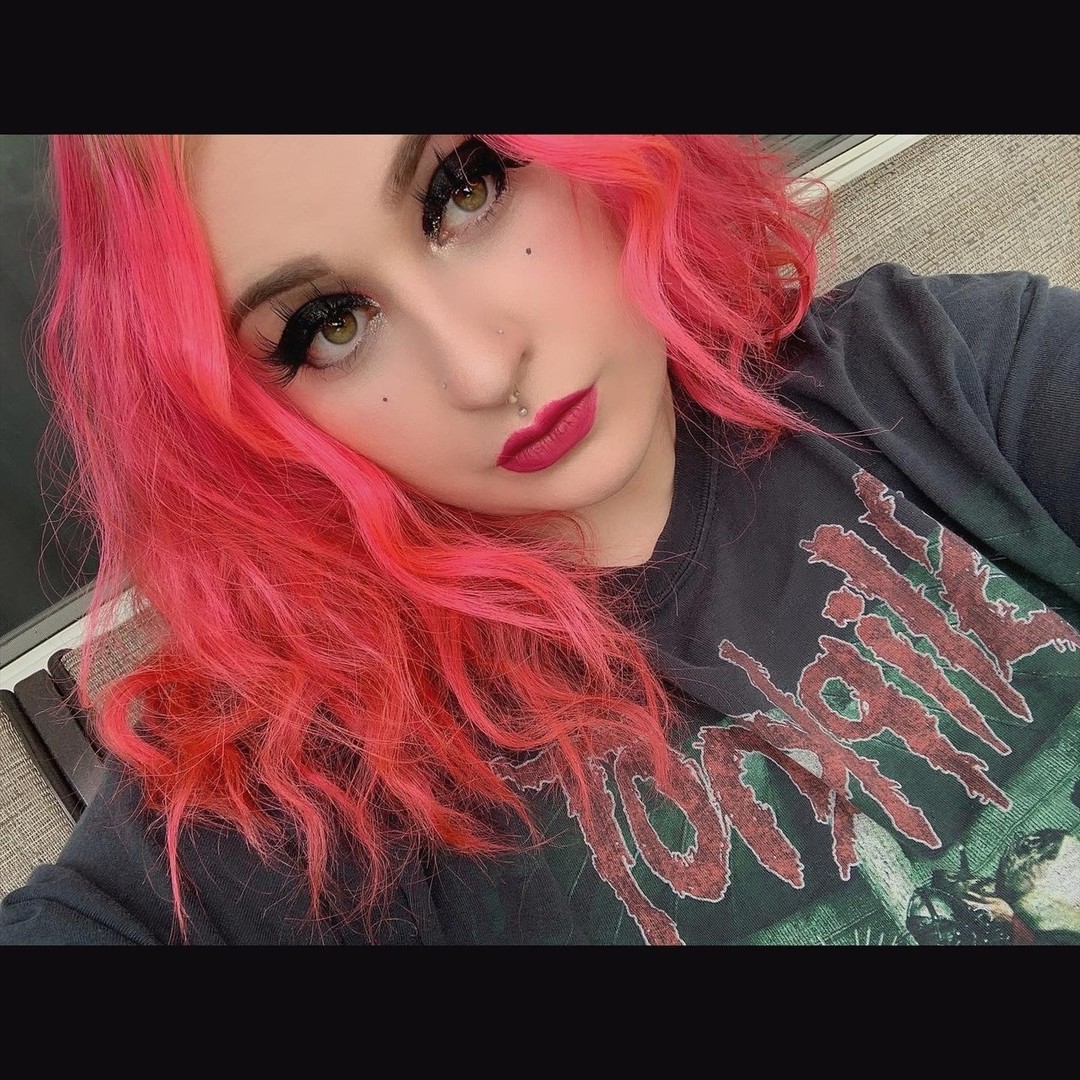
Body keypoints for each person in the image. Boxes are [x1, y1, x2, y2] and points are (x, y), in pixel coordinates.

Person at [1, 135, 1078, 946]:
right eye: (330, 323)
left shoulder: (942, 379)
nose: (480, 370)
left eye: (465, 187)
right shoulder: (314, 786)